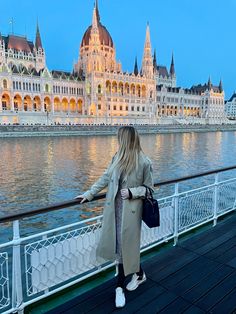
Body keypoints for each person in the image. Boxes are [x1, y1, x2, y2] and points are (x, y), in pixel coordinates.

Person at [76, 126, 154, 308]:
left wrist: (133, 192)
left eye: (120, 137)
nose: (118, 140)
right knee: (120, 246)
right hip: (114, 210)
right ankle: (140, 274)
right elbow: (105, 177)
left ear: (127, 139)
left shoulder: (144, 162)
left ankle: (119, 288)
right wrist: (88, 194)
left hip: (131, 213)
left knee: (123, 247)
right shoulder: (117, 157)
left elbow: (150, 189)